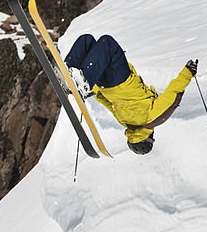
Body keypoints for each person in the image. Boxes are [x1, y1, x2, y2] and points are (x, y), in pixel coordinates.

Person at [63, 34, 197, 155]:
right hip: (105, 83)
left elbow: (173, 94)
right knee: (88, 42)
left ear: (148, 138)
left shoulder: (152, 119)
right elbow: (108, 103)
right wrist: (95, 89)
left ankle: (81, 80)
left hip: (121, 79)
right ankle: (69, 73)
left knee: (107, 44)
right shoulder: (125, 122)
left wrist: (188, 73)